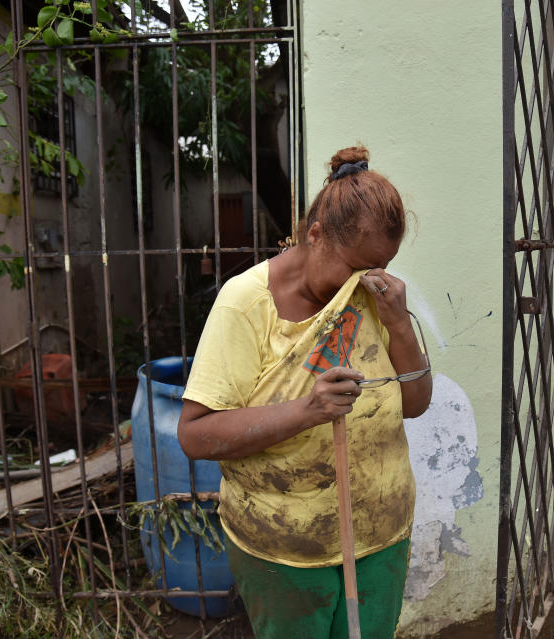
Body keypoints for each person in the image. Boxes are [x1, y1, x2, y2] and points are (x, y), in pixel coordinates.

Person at [177, 145, 432, 638]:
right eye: (355, 266)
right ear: (314, 235)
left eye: (378, 267)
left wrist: (399, 323)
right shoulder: (247, 303)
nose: (365, 281)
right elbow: (196, 435)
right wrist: (307, 410)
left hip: (381, 537)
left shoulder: (373, 296)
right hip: (285, 554)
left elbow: (415, 404)